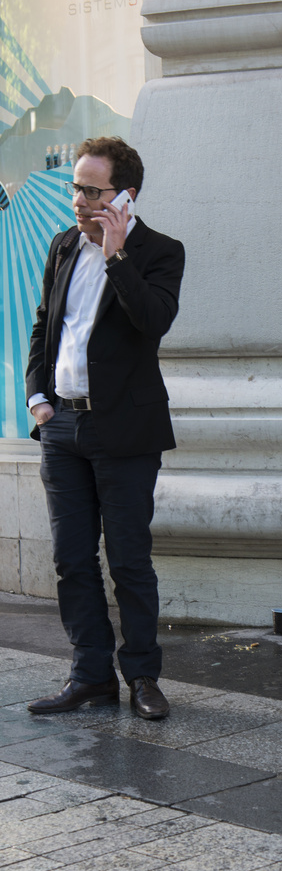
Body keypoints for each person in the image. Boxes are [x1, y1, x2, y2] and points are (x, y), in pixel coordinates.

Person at [25, 137, 185, 720]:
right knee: (71, 559)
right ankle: (90, 675)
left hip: (125, 433)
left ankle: (142, 675)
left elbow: (154, 321)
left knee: (128, 560)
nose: (77, 200)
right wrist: (37, 399)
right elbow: (46, 327)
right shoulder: (63, 245)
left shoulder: (160, 251)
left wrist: (117, 257)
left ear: (125, 196)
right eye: (76, 188)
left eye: (91, 191)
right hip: (62, 428)